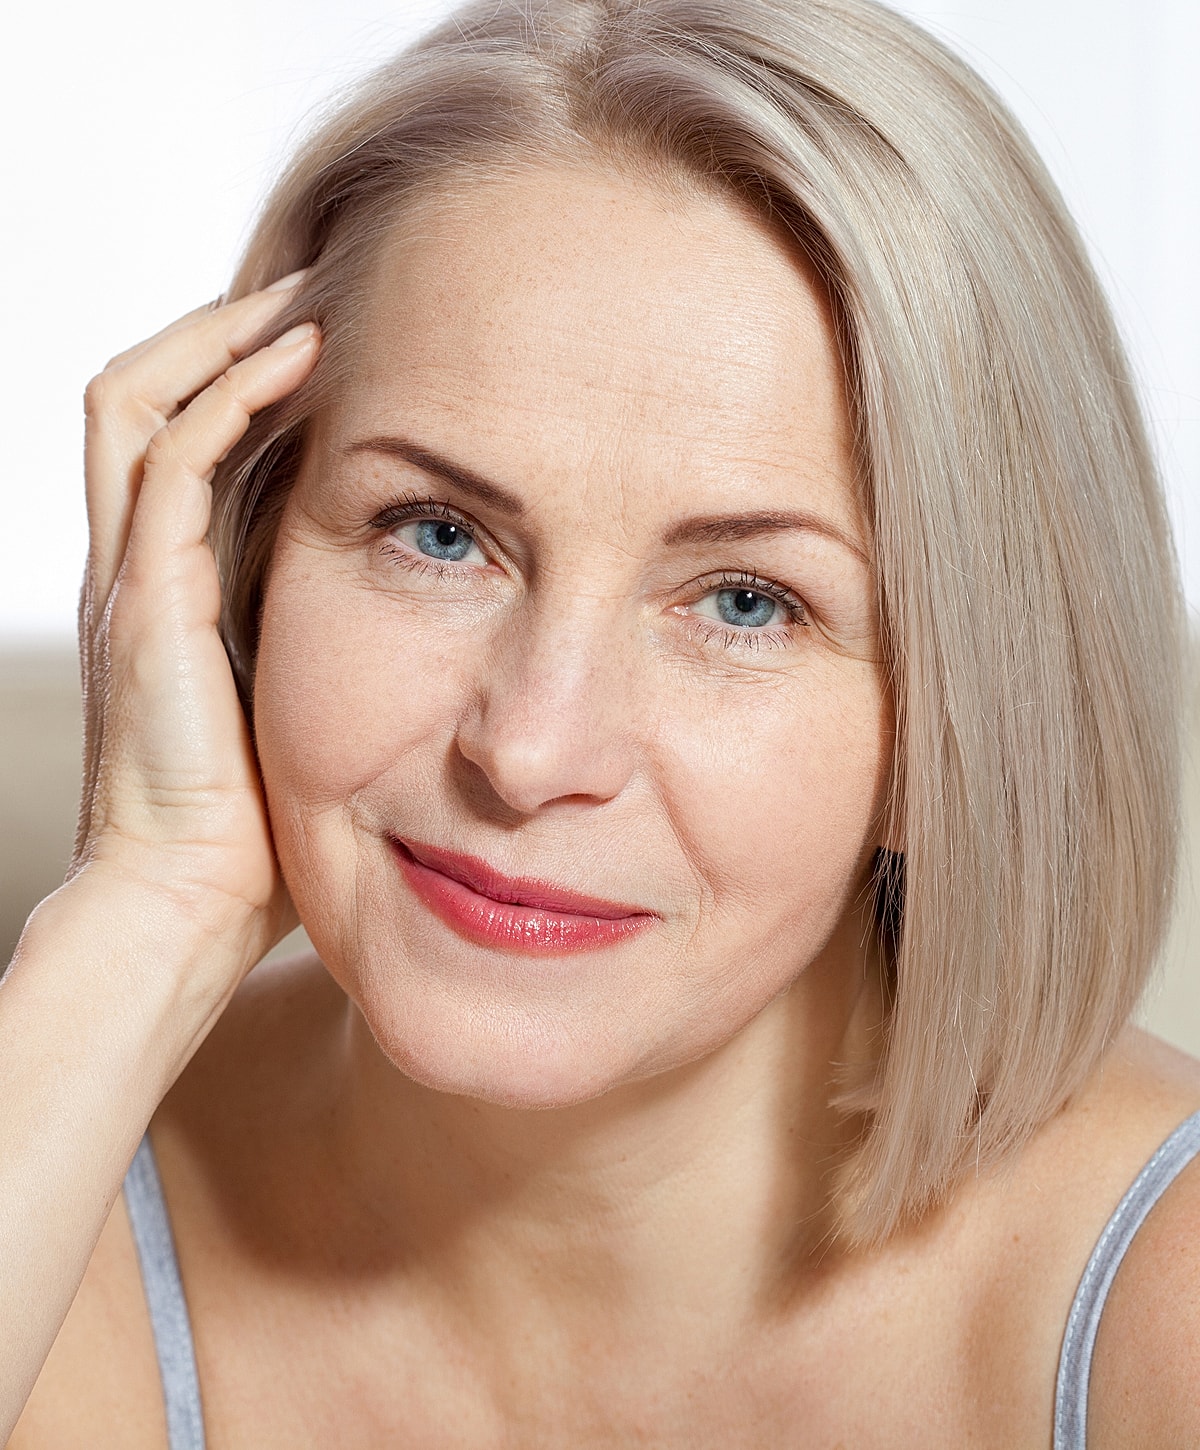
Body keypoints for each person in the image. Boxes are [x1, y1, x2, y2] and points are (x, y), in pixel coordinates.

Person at [3, 0, 1198, 1442]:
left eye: (747, 602)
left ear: (955, 723)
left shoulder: (1161, 1316)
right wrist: (144, 914)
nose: (529, 749)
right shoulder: (59, 1183)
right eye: (435, 532)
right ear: (242, 561)